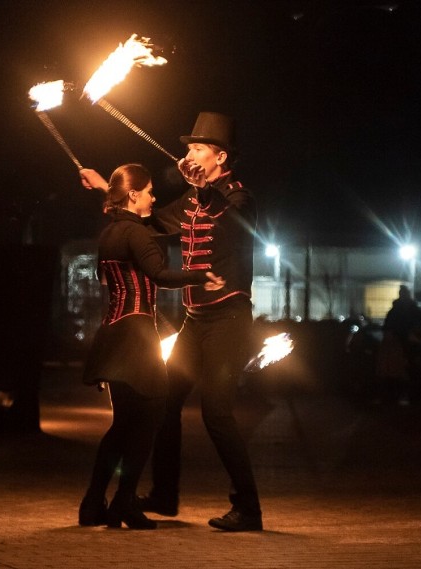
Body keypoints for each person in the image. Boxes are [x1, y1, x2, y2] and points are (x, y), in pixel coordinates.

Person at [79, 112, 262, 532]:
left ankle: (248, 507)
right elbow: (147, 217)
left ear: (219, 156)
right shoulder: (193, 200)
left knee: (217, 412)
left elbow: (232, 218)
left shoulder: (238, 196)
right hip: (196, 320)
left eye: (197, 149)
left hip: (229, 318)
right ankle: (164, 494)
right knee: (162, 403)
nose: (188, 155)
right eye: (187, 149)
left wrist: (204, 188)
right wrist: (109, 188)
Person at [77, 163, 225, 530]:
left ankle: (94, 503)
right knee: (151, 417)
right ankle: (124, 504)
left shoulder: (109, 234)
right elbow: (160, 275)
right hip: (137, 337)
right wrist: (200, 275)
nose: (154, 198)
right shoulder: (138, 235)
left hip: (112, 334)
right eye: (149, 191)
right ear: (134, 195)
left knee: (122, 425)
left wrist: (101, 187)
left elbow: (113, 283)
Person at [376, 285, 421, 405]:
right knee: (406, 373)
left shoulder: (396, 312)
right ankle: (409, 396)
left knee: (401, 374)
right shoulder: (412, 311)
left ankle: (400, 396)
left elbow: (387, 329)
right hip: (406, 348)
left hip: (404, 347)